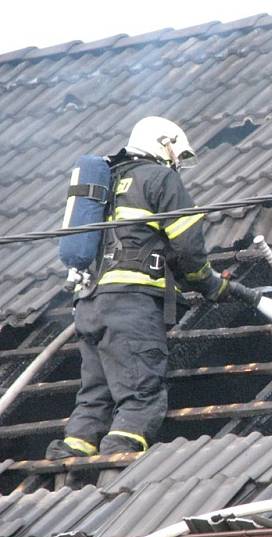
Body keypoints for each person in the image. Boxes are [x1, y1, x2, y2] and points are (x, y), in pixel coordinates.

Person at [46, 116, 249, 459]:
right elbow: (187, 249)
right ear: (163, 144)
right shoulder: (160, 179)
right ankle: (119, 457)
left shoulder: (108, 183)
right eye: (177, 155)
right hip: (131, 307)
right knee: (141, 390)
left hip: (90, 306)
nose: (177, 163)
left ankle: (73, 450)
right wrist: (209, 284)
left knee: (97, 391)